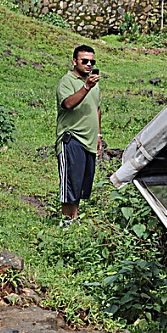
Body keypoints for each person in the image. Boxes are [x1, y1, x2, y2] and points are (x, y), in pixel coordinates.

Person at [56, 44, 102, 223]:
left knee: (81, 183)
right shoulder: (67, 81)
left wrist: (98, 135)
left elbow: (96, 109)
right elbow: (67, 104)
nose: (89, 64)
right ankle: (67, 221)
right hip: (72, 138)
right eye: (85, 61)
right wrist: (86, 87)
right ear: (75, 61)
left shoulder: (94, 83)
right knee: (70, 183)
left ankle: (74, 218)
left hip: (89, 140)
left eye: (92, 61)